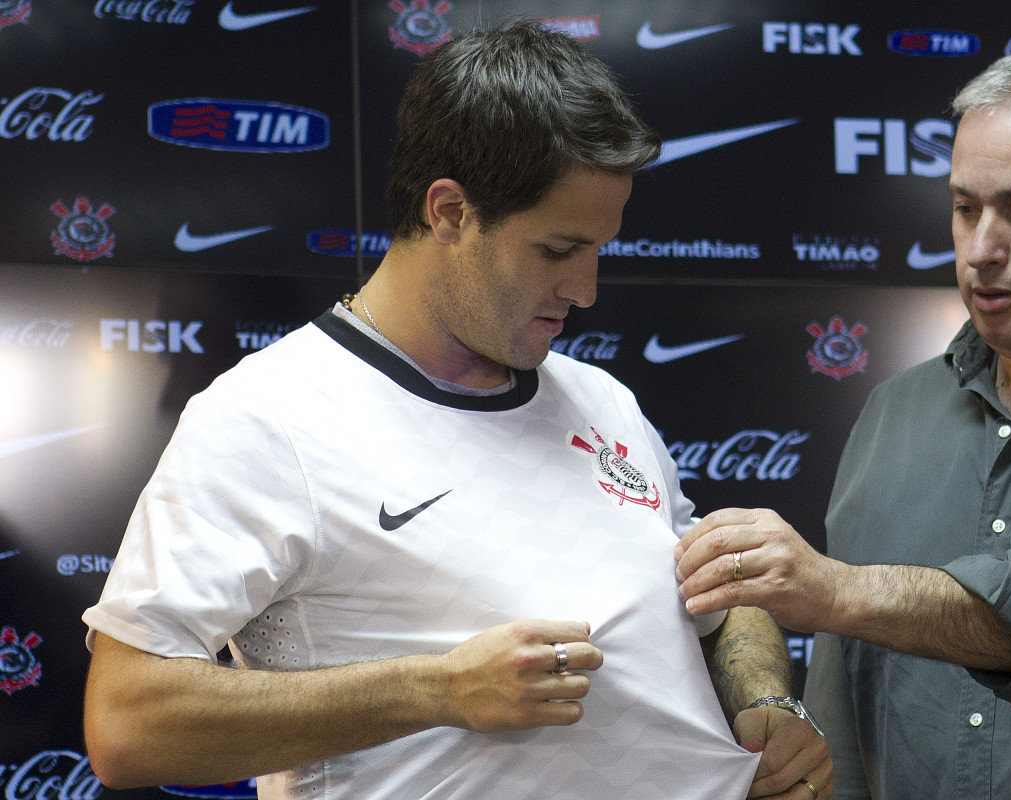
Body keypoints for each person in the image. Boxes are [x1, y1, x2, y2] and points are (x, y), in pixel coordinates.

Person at [81, 20, 831, 800]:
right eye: (556, 249)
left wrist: (765, 705)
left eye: (599, 248)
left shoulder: (603, 400)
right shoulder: (268, 415)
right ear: (448, 213)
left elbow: (711, 602)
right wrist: (436, 690)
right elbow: (129, 724)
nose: (587, 289)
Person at [675, 42, 1011, 798]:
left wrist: (842, 592)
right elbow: (843, 700)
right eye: (964, 207)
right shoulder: (896, 408)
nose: (981, 249)